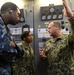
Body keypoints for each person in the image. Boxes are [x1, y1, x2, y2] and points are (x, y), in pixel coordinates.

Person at [40, 0, 74, 75]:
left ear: (56, 27)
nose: (47, 30)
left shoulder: (68, 39)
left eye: (49, 28)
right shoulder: (48, 43)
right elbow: (45, 59)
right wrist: (43, 57)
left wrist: (71, 17)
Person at [0, 2, 24, 75]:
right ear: (10, 11)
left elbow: (20, 51)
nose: (19, 18)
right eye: (18, 14)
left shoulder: (6, 28)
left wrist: (15, 46)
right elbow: (5, 51)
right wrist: (15, 48)